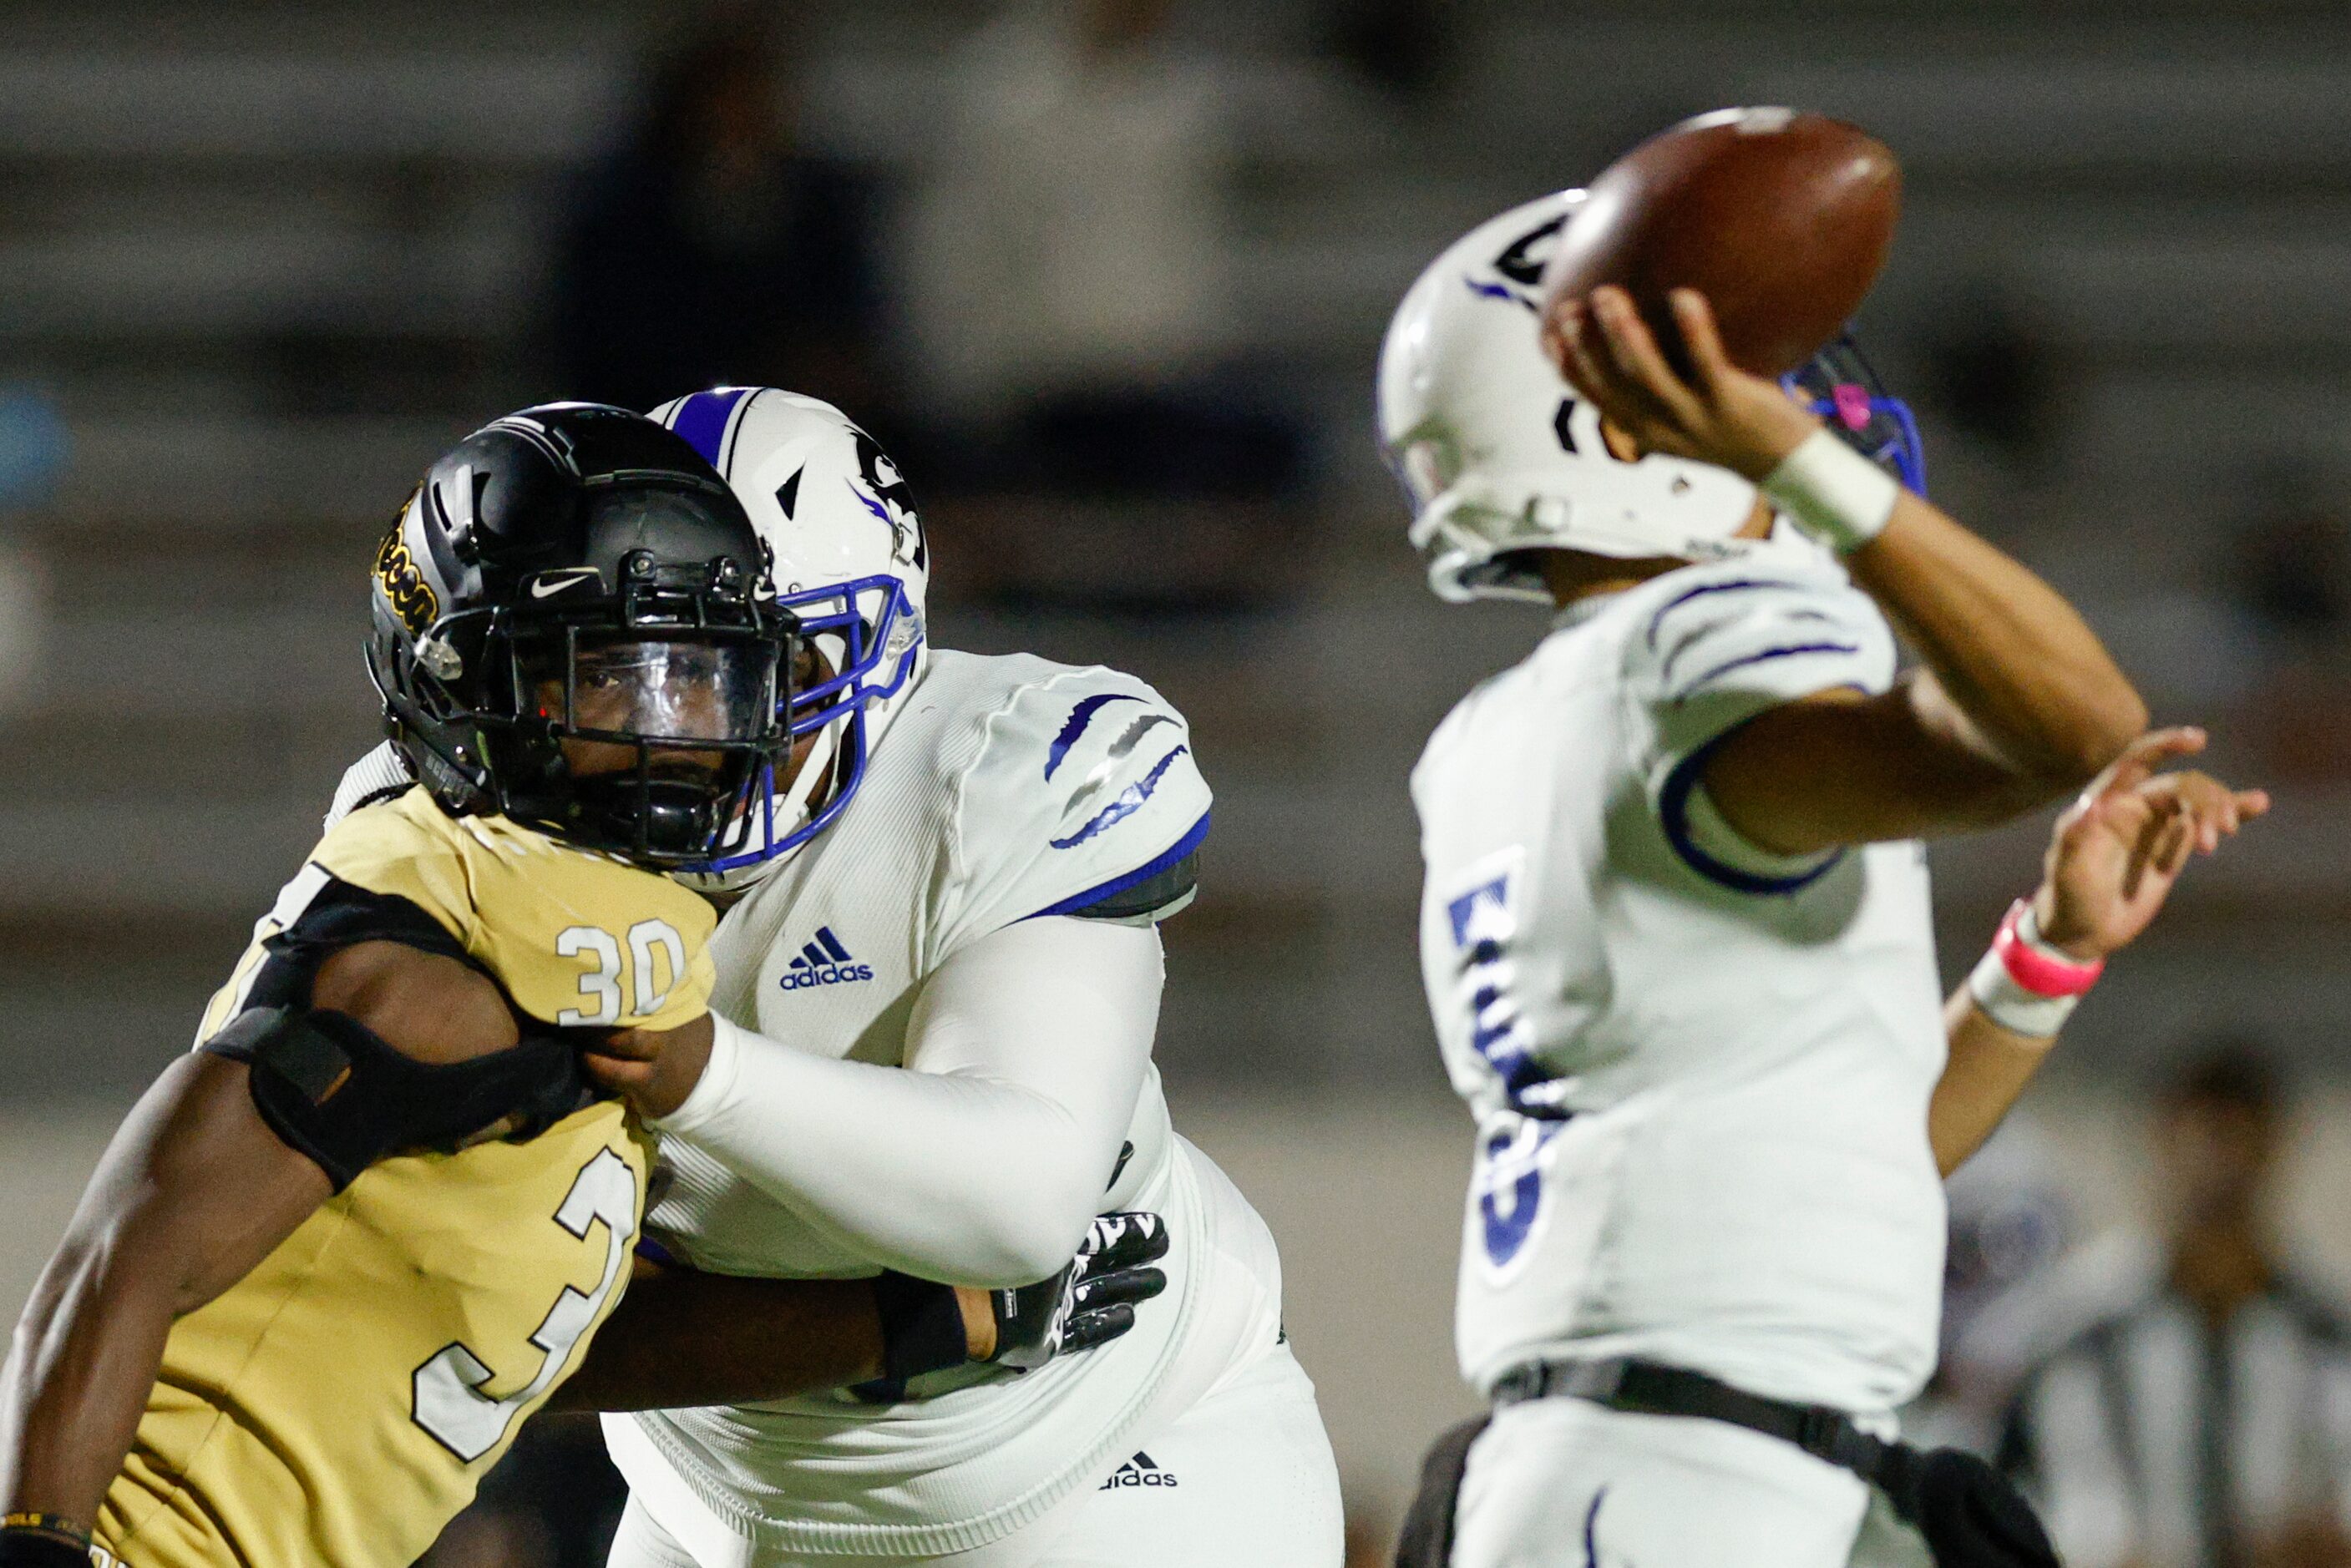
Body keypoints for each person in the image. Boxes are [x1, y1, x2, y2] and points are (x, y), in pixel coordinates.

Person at [0, 406, 1163, 1568]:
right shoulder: (448, 923)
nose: (682, 724)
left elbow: (560, 1349)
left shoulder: (622, 934)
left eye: (707, 671)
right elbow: (121, 1253)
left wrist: (934, 1318)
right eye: (613, 674)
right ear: (473, 679)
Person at [1376, 186, 2266, 1568]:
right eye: (1736, 377)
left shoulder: (1516, 728)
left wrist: (2048, 951)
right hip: (1689, 1484)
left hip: (1636, 1462)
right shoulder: (1690, 654)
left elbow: (1861, 1150)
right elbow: (2074, 718)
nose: (1795, 408)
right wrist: (1806, 468)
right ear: (1619, 430)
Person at [317, 385, 1345, 1566]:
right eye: (633, 670)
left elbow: (1017, 1201)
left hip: (1100, 1452)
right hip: (715, 1487)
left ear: (877, 648)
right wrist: (901, 1320)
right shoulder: (454, 839)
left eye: (753, 669)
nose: (690, 733)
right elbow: (459, 1332)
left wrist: (700, 1076)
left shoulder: (995, 768)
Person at [1999, 1044, 2351, 1568]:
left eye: (2239, 1138)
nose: (2219, 1164)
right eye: (2203, 1137)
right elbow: (2017, 1490)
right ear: (2159, 1145)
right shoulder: (2079, 1329)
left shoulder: (2327, 1332)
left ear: (2276, 1148)